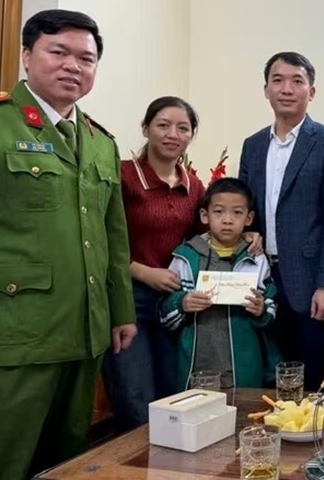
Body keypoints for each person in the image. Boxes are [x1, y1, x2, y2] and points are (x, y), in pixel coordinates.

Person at [0, 9, 137, 479]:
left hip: (86, 331)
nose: (73, 66)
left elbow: (114, 237)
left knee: (66, 461)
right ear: (26, 55)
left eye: (86, 58)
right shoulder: (2, 125)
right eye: (58, 52)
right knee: (9, 455)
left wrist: (120, 311)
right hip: (16, 330)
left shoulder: (100, 142)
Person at [238, 51, 324, 390]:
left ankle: (321, 425)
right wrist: (249, 232)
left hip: (310, 283)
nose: (286, 89)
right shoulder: (253, 145)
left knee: (315, 377)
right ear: (266, 90)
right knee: (270, 375)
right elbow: (245, 208)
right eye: (277, 80)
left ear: (311, 91)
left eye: (297, 81)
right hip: (261, 281)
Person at [101, 96, 206, 433]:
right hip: (128, 300)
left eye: (183, 128)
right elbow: (99, 239)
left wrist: (249, 235)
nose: (173, 134)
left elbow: (206, 239)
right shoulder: (123, 175)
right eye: (163, 125)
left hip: (175, 304)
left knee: (174, 398)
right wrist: (143, 272)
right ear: (145, 128)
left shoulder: (194, 186)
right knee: (135, 400)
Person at [160, 178, 281, 390]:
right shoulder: (185, 258)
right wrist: (182, 302)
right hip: (197, 364)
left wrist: (261, 309)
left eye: (237, 212)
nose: (227, 220)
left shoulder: (256, 259)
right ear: (204, 215)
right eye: (218, 212)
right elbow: (164, 314)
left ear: (249, 218)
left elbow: (271, 306)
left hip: (244, 365)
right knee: (198, 407)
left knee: (244, 408)